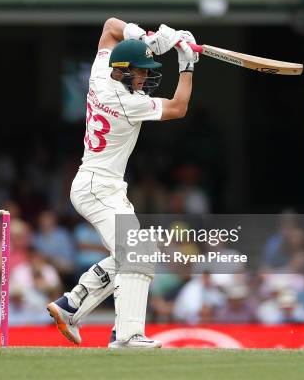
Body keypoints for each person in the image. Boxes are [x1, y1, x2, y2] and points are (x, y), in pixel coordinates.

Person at [47, 18, 198, 348]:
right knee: (139, 253)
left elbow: (109, 28)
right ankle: (128, 336)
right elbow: (178, 107)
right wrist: (186, 64)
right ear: (124, 70)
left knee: (135, 251)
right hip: (99, 187)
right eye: (141, 70)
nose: (145, 77)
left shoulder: (100, 75)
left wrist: (148, 39)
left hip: (101, 186)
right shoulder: (127, 103)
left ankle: (71, 304)